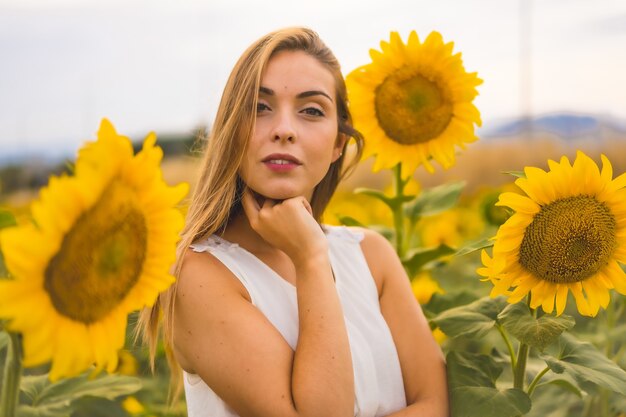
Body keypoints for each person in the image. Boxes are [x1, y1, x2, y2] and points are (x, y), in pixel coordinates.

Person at [138, 27, 449, 417]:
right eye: (260, 107)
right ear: (231, 130)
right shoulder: (197, 276)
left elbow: (436, 405)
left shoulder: (370, 256)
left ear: (338, 143)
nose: (284, 129)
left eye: (312, 111)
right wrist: (311, 260)